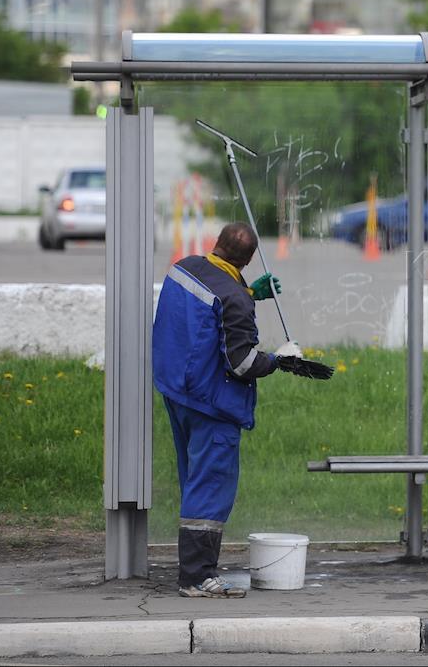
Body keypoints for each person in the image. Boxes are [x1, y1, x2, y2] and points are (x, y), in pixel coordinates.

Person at [152, 221, 299, 598]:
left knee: (194, 482)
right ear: (248, 260)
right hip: (213, 406)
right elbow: (242, 363)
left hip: (179, 394)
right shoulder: (235, 300)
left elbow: (206, 317)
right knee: (210, 490)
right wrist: (279, 360)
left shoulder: (183, 268)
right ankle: (197, 577)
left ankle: (194, 570)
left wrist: (247, 291)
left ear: (215, 244)